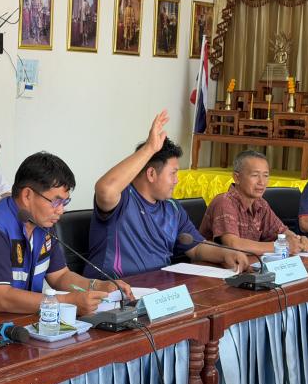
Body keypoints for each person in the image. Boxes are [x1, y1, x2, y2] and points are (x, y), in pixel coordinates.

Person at [0, 152, 132, 316]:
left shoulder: (42, 223)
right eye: (56, 202)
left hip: (17, 322)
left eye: (65, 202)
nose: (61, 210)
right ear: (27, 195)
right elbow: (1, 298)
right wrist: (68, 302)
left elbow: (60, 276)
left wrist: (98, 286)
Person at [87, 111, 249, 277]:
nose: (177, 180)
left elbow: (196, 247)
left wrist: (226, 253)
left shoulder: (172, 208)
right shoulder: (123, 198)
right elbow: (105, 189)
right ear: (151, 174)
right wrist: (149, 148)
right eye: (173, 173)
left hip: (159, 288)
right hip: (114, 288)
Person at [199, 150, 308, 255]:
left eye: (265, 176)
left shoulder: (261, 204)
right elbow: (233, 245)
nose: (261, 182)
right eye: (255, 175)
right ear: (237, 178)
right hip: (211, 266)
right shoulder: (224, 202)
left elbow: (282, 232)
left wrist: (298, 240)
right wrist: (280, 247)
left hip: (246, 264)